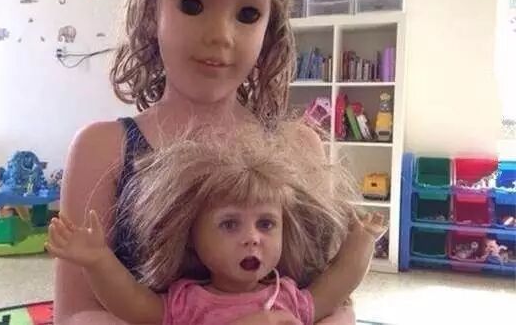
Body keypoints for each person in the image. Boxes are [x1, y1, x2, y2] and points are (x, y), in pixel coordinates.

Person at [54, 0, 376, 323]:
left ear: (270, 25)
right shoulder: (103, 149)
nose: (221, 35)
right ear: (151, 8)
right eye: (193, 4)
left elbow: (334, 300)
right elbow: (77, 315)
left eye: (248, 13)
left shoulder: (300, 146)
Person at [49, 123, 385, 324]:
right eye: (229, 225)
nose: (252, 238)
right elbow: (131, 303)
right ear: (193, 238)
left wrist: (362, 240)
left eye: (266, 224)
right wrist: (98, 261)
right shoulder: (189, 303)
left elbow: (337, 284)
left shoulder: (288, 296)